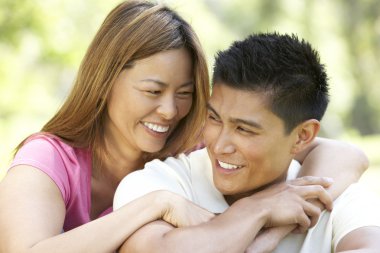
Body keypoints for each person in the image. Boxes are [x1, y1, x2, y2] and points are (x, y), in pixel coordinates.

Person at [0, 0, 367, 251]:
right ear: (106, 81)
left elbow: (346, 156)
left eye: (186, 93)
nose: (169, 110)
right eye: (153, 90)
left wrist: (275, 221)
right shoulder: (47, 160)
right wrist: (154, 205)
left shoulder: (194, 145)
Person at [113, 33, 379, 253]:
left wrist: (270, 233)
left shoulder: (338, 197)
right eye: (214, 118)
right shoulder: (157, 185)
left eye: (244, 129)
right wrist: (257, 209)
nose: (219, 146)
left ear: (302, 136)